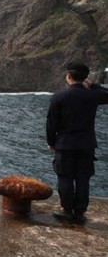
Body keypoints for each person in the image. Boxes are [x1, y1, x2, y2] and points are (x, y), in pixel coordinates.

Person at [47, 62, 108, 224]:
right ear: (84, 78)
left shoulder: (59, 96)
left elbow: (51, 122)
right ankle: (79, 213)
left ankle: (67, 211)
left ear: (68, 77)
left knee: (65, 178)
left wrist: (51, 142)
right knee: (83, 178)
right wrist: (93, 85)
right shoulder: (92, 95)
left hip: (64, 144)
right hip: (86, 145)